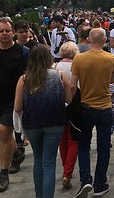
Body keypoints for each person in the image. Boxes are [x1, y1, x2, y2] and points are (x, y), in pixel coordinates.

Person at [14, 45, 72, 198]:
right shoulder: (59, 75)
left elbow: (17, 106)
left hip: (32, 124)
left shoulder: (24, 79)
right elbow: (69, 99)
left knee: (38, 160)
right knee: (49, 162)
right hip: (55, 122)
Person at [70, 28, 114, 197]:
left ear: (88, 40)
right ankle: (100, 183)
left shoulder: (79, 59)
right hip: (104, 107)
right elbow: (112, 81)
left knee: (84, 145)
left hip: (86, 107)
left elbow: (72, 85)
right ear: (104, 40)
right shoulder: (111, 58)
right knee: (104, 147)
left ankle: (85, 180)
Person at [0, 17, 29, 193]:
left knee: (4, 131)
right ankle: (16, 154)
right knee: (0, 135)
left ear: (13, 32)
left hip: (13, 99)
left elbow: (26, 77)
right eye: (1, 31)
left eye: (7, 31)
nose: (4, 34)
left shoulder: (22, 52)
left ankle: (3, 174)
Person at [54, 42, 80, 190]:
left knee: (63, 140)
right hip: (74, 104)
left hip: (59, 105)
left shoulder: (55, 66)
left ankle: (66, 168)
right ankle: (67, 172)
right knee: (74, 140)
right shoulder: (76, 66)